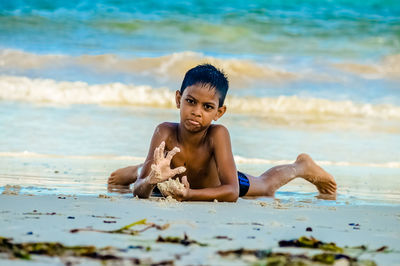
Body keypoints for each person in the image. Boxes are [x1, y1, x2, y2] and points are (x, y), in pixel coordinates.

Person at [108, 64, 336, 202]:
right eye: (191, 102)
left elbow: (231, 191)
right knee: (153, 169)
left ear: (219, 111)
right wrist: (149, 181)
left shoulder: (218, 135)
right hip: (169, 178)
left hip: (212, 181)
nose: (196, 112)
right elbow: (140, 191)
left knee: (266, 186)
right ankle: (139, 169)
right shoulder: (164, 131)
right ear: (179, 99)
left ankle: (301, 166)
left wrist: (189, 196)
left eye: (207, 107)